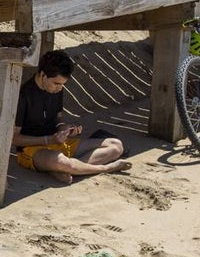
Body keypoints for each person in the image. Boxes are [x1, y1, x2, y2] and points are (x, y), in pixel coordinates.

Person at [13, 50, 131, 184]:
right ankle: (105, 168)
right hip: (33, 151)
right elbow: (14, 139)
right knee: (60, 161)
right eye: (56, 83)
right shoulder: (23, 96)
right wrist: (47, 140)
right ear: (43, 75)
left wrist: (64, 128)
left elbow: (58, 119)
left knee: (116, 146)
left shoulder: (57, 89)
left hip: (58, 143)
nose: (60, 88)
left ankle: (65, 169)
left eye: (63, 84)